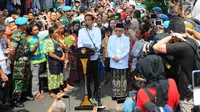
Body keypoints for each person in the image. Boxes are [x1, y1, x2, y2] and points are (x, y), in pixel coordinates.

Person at [151, 17, 197, 111]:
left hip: (186, 93)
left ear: (172, 31)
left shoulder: (182, 46)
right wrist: (188, 33)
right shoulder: (192, 42)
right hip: (196, 87)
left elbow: (156, 47)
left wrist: (171, 36)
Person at [8, 17, 31, 107]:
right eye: (25, 24)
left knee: (25, 78)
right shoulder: (16, 35)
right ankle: (15, 99)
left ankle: (22, 96)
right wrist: (13, 61)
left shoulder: (23, 33)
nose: (27, 25)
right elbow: (12, 50)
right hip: (19, 61)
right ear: (22, 25)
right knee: (18, 80)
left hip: (25, 59)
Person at [78, 14, 102, 100]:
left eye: (89, 20)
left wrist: (93, 48)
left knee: (96, 78)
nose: (87, 22)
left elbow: (98, 43)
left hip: (94, 56)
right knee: (86, 77)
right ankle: (88, 94)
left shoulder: (97, 30)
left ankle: (96, 95)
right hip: (85, 58)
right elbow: (79, 43)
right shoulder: (81, 31)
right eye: (86, 20)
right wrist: (84, 49)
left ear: (92, 21)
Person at [107, 23, 130, 99]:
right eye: (116, 31)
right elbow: (109, 49)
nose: (118, 32)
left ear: (123, 31)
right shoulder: (111, 38)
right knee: (115, 78)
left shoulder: (126, 39)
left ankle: (123, 94)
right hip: (114, 61)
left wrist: (119, 57)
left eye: (120, 31)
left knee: (123, 78)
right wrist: (113, 57)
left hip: (123, 62)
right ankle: (115, 94)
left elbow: (127, 50)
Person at [27, 22, 46, 99]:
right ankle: (36, 93)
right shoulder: (30, 40)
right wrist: (35, 46)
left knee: (37, 76)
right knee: (35, 77)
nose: (37, 31)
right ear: (31, 31)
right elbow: (31, 51)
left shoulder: (37, 37)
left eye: (37, 29)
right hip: (34, 61)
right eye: (35, 30)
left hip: (40, 60)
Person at [45, 25, 65, 97]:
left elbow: (61, 49)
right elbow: (50, 53)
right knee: (52, 76)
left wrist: (63, 56)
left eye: (58, 32)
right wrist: (60, 59)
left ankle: (59, 90)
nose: (57, 34)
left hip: (59, 60)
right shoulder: (49, 41)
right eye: (56, 33)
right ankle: (51, 92)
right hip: (53, 61)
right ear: (51, 33)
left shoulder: (57, 40)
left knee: (59, 75)